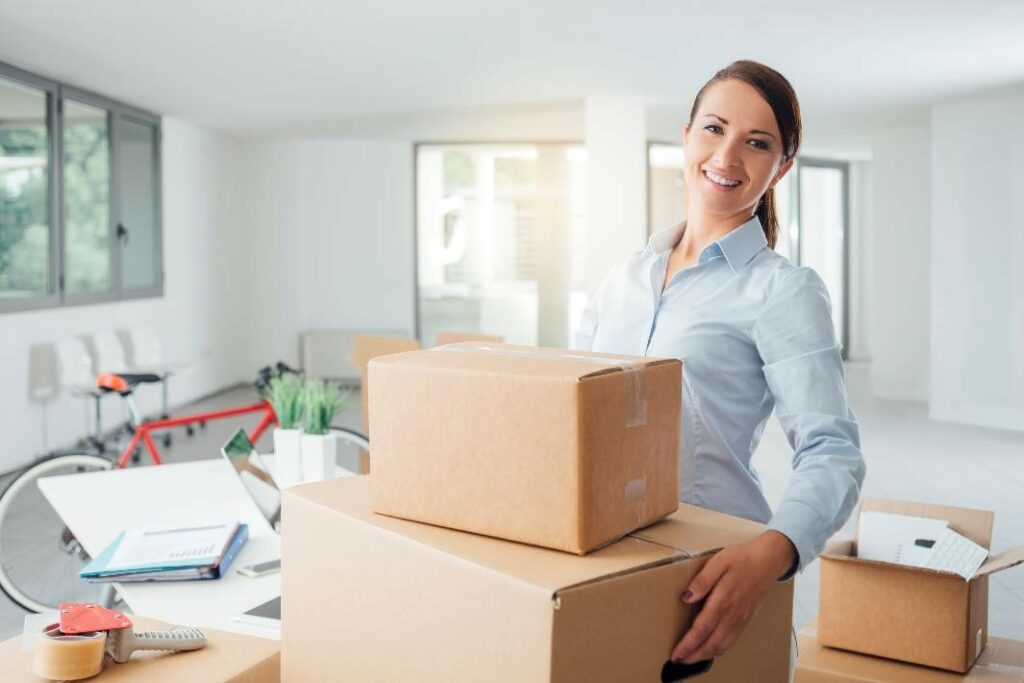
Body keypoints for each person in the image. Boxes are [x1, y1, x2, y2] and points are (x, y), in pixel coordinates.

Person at [575, 60, 865, 670]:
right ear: (686, 136)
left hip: (712, 572)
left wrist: (772, 552)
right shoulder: (624, 276)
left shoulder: (782, 292)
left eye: (757, 143)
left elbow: (832, 450)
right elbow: (571, 409)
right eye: (713, 129)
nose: (727, 156)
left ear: (781, 167)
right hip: (601, 554)